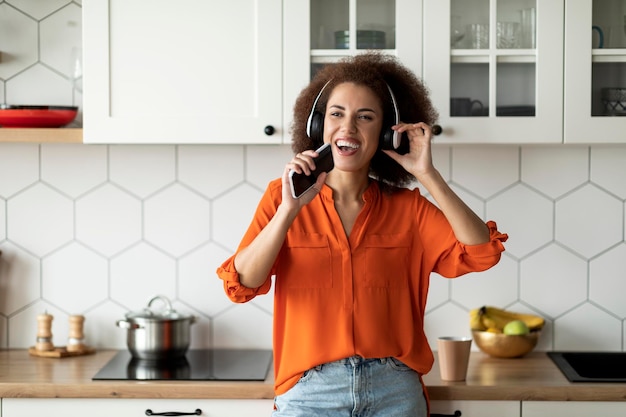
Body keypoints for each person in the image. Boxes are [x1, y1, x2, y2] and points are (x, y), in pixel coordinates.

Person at [217, 52, 508, 416]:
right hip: (310, 392)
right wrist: (289, 210)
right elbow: (241, 283)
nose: (348, 128)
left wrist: (427, 174)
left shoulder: (409, 209)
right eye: (337, 114)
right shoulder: (282, 197)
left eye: (365, 117)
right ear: (318, 125)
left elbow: (481, 251)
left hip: (395, 392)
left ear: (387, 132)